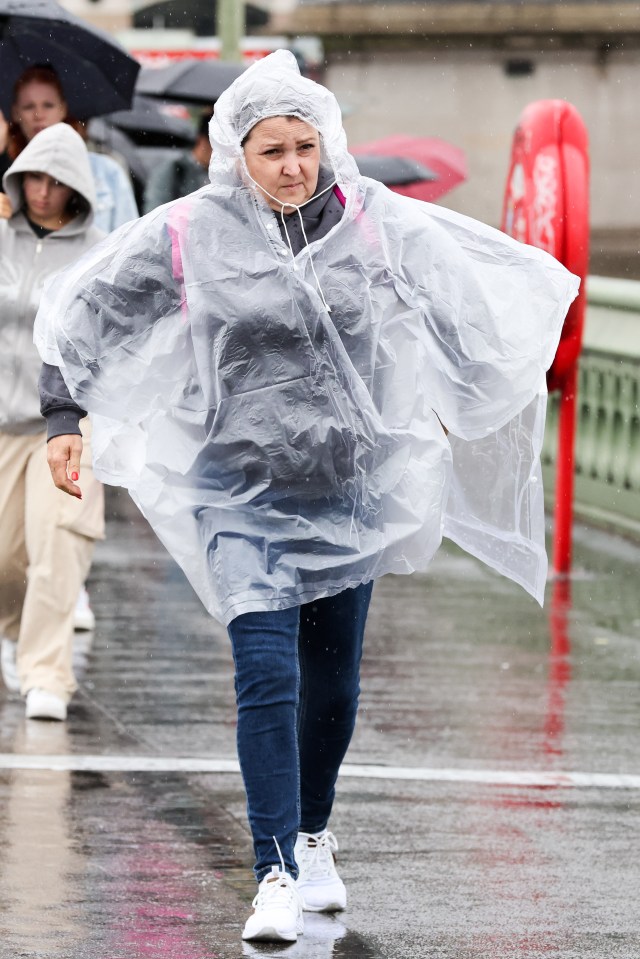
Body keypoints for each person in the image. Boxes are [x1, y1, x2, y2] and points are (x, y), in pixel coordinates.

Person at [35, 51, 579, 941]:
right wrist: (64, 417)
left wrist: (463, 385)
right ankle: (273, 871)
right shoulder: (191, 234)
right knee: (268, 672)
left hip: (348, 489)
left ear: (327, 146)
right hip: (238, 492)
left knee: (333, 683)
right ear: (234, 156)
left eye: (305, 146)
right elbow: (80, 314)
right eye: (271, 150)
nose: (293, 166)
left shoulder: (373, 225)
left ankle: (314, 832)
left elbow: (463, 310)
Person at [0, 123, 106, 721]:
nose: (43, 191)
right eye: (33, 177)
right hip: (1, 423)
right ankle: (15, 634)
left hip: (68, 422)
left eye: (57, 180)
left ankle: (47, 673)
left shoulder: (101, 250)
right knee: (5, 558)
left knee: (59, 540)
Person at [0, 64, 138, 235]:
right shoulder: (6, 171)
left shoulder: (106, 171)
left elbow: (128, 244)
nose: (38, 115)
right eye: (29, 106)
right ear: (15, 113)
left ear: (63, 108)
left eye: (48, 105)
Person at [143, 111, 213, 213]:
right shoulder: (173, 170)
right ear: (201, 140)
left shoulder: (219, 176)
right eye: (214, 146)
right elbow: (154, 213)